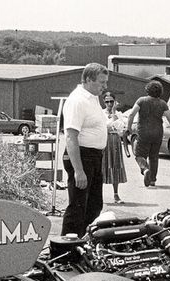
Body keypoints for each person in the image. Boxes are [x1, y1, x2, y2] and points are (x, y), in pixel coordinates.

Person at [61, 63, 109, 236]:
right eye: (102, 82)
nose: (105, 87)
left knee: (94, 206)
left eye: (106, 82)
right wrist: (78, 171)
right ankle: (66, 250)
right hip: (82, 156)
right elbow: (70, 137)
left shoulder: (93, 97)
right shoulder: (78, 100)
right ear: (88, 80)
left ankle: (82, 243)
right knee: (78, 207)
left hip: (94, 156)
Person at [126, 80, 170, 187]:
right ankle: (152, 180)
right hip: (158, 133)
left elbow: (131, 114)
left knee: (139, 155)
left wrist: (129, 128)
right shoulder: (163, 104)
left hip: (143, 132)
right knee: (154, 157)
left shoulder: (141, 101)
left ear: (147, 89)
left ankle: (145, 169)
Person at [101, 91, 127, 203]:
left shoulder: (119, 114)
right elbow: (104, 127)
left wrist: (114, 115)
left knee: (115, 166)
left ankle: (116, 194)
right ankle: (98, 195)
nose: (109, 104)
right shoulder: (101, 113)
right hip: (104, 141)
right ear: (104, 102)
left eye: (111, 101)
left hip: (115, 141)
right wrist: (111, 122)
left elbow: (121, 130)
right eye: (107, 101)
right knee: (102, 167)